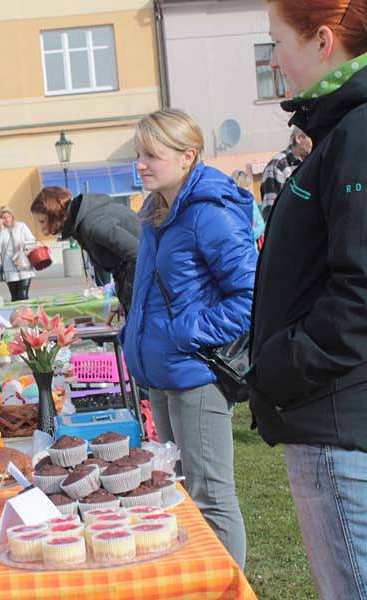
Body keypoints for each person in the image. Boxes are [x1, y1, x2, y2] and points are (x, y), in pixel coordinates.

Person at [248, 2, 367, 598]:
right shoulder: (340, 130)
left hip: (336, 423)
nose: (273, 59)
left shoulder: (356, 132)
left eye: (277, 42)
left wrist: (280, 366)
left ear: (323, 42)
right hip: (329, 418)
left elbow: (361, 295)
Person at [120, 109, 255, 568]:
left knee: (211, 495)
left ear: (187, 157)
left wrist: (184, 334)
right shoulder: (156, 212)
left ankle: (230, 589)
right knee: (178, 493)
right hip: (161, 375)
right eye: (139, 153)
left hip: (197, 376)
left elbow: (251, 298)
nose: (141, 163)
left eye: (151, 155)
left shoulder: (208, 214)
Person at [30, 190, 140, 314]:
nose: (42, 228)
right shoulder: (85, 219)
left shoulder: (92, 224)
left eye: (42, 221)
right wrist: (123, 301)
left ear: (54, 214)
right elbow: (120, 262)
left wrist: (130, 300)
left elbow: (137, 254)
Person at [259, 126, 312, 219]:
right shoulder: (277, 165)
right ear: (299, 138)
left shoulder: (311, 163)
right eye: (312, 137)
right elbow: (270, 212)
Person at [0, 206, 36, 301]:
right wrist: (2, 230)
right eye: (4, 217)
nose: (7, 219)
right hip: (10, 270)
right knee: (15, 298)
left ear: (12, 216)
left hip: (24, 266)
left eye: (8, 216)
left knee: (23, 296)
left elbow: (32, 241)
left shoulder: (21, 226)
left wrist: (24, 245)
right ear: (0, 219)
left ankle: (26, 314)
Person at [231, 169, 267, 249]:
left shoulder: (251, 201)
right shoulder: (229, 203)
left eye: (248, 186)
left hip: (250, 249)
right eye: (246, 186)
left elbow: (261, 226)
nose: (249, 189)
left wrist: (246, 237)